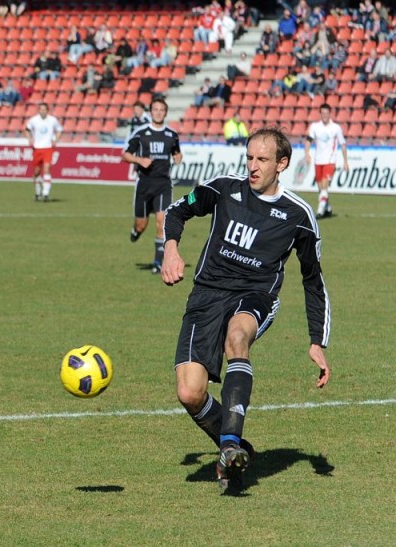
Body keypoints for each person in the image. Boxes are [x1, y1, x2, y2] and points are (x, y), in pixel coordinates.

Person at [160, 126, 331, 493]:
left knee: (237, 338)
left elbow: (313, 281)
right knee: (190, 394)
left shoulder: (298, 215)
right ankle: (237, 449)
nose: (253, 166)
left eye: (263, 160)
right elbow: (177, 210)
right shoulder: (223, 188)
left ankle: (230, 445)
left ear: (282, 164)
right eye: (250, 158)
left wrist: (318, 341)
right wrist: (171, 249)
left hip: (254, 297)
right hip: (206, 295)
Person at [122, 97, 182, 274]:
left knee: (161, 222)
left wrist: (178, 158)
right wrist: (140, 160)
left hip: (163, 184)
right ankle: (136, 231)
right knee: (142, 224)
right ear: (151, 112)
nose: (158, 112)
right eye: (155, 109)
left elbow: (177, 153)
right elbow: (126, 154)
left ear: (165, 112)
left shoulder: (172, 135)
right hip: (144, 184)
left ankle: (157, 262)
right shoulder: (141, 133)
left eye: (161, 110)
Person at [304, 103, 349, 219]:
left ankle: (319, 212)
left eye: (326, 113)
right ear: (320, 114)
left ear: (330, 114)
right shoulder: (315, 126)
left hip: (330, 161)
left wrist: (345, 162)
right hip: (318, 161)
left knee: (324, 186)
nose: (324, 115)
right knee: (320, 189)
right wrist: (307, 154)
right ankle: (328, 209)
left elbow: (343, 145)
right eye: (322, 113)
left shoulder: (336, 128)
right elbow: (308, 140)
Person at [24, 102, 63, 202]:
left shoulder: (52, 120)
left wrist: (55, 141)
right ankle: (38, 192)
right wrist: (30, 139)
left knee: (47, 168)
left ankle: (46, 194)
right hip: (37, 148)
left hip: (48, 148)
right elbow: (26, 129)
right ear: (38, 110)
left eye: (44, 109)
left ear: (47, 110)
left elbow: (59, 130)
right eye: (41, 109)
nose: (43, 111)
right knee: (37, 172)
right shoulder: (34, 120)